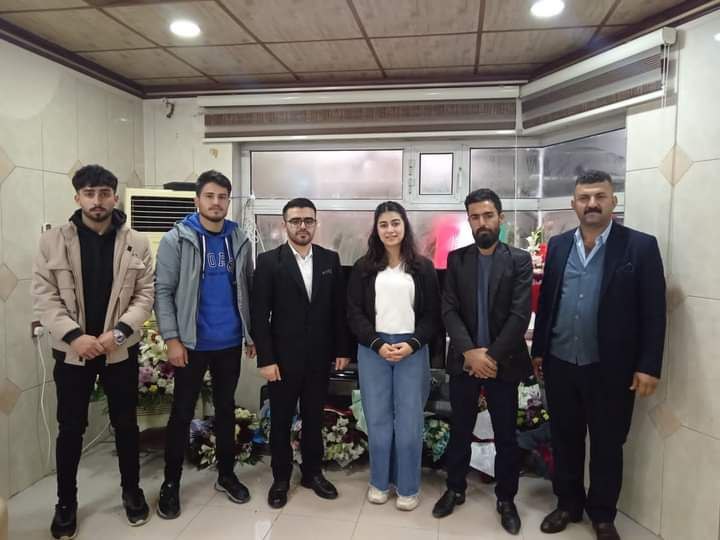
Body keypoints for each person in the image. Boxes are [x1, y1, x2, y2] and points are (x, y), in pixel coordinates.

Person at [531, 170, 666, 540]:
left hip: (611, 369)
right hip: (561, 362)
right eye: (584, 197)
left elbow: (654, 311)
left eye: (600, 196)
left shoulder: (639, 247)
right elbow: (548, 303)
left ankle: (603, 515)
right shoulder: (558, 246)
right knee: (565, 439)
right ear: (574, 203)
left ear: (613, 201)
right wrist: (539, 350)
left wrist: (648, 365)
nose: (592, 204)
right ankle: (568, 504)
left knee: (607, 445)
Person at [32, 165, 154, 539]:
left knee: (126, 424)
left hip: (118, 349)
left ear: (114, 197)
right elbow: (44, 296)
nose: (97, 201)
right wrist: (75, 337)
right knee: (71, 428)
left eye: (103, 193)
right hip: (74, 352)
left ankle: (131, 492)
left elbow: (145, 295)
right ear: (78, 198)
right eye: (89, 194)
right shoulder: (52, 241)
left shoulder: (137, 242)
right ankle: (65, 503)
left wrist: (119, 333)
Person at [154, 170, 256, 519]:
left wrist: (250, 334)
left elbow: (247, 288)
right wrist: (172, 339)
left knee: (226, 410)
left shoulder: (239, 238)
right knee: (182, 413)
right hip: (191, 343)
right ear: (197, 199)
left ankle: (226, 475)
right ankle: (171, 484)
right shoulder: (177, 239)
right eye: (209, 196)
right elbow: (162, 291)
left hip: (228, 341)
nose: (216, 203)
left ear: (228, 201)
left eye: (222, 197)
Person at [432, 188, 532, 535]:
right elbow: (448, 309)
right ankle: (455, 489)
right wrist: (470, 352)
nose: (482, 222)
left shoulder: (519, 260)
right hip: (465, 362)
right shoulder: (457, 260)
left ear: (500, 218)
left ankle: (506, 499)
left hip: (504, 362)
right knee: (460, 429)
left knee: (506, 435)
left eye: (488, 215)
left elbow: (520, 315)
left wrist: (489, 357)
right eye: (475, 217)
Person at [251, 198, 352, 508]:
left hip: (319, 357)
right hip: (281, 360)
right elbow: (259, 315)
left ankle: (312, 473)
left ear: (315, 223)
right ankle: (281, 479)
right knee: (281, 421)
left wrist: (342, 349)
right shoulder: (269, 262)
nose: (302, 226)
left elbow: (339, 310)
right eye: (295, 221)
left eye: (308, 220)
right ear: (285, 225)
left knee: (313, 418)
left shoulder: (329, 260)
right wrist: (266, 359)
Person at [347, 201, 440, 511]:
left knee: (410, 420)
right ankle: (379, 482)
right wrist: (376, 343)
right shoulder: (363, 267)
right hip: (373, 349)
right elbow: (354, 313)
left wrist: (412, 343)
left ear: (405, 226)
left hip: (412, 350)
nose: (390, 230)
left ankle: (408, 486)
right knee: (377, 419)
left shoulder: (423, 268)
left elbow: (433, 315)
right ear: (376, 229)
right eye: (384, 224)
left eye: (395, 223)